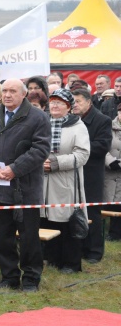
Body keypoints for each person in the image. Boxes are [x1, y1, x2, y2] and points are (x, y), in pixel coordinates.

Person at [0, 79, 51, 292]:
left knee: (28, 237)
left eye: (12, 91)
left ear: (24, 94)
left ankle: (30, 279)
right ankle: (9, 277)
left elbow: (40, 149)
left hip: (26, 188)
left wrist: (14, 169)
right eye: (5, 91)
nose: (7, 94)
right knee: (2, 237)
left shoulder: (38, 117)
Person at [41, 89, 90, 273]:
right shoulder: (42, 123)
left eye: (59, 102)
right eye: (52, 101)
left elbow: (82, 155)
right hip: (43, 181)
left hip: (66, 181)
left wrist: (56, 163)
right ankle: (53, 259)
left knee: (67, 222)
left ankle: (71, 263)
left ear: (68, 107)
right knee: (48, 220)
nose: (54, 105)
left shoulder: (78, 126)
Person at [71, 88, 112, 264]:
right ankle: (77, 247)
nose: (75, 105)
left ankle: (94, 251)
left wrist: (80, 151)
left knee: (92, 211)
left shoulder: (102, 120)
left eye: (78, 101)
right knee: (74, 210)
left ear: (89, 102)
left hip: (91, 172)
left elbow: (103, 146)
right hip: (72, 172)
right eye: (72, 102)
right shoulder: (70, 120)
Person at [104, 102, 121, 241]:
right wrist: (110, 161)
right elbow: (102, 146)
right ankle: (106, 232)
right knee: (109, 201)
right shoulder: (108, 126)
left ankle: (116, 233)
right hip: (109, 171)